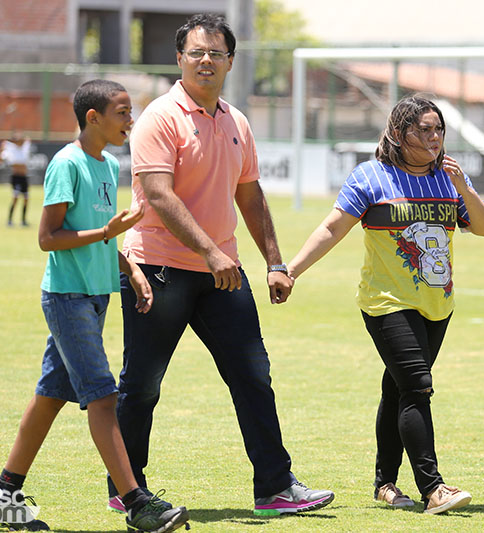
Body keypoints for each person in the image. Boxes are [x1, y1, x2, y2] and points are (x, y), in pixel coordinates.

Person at [106, 13, 334, 517]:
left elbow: (250, 196)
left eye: (216, 52)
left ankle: (274, 487)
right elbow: (159, 197)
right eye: (196, 52)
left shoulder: (237, 121)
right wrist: (211, 251)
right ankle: (128, 489)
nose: (205, 60)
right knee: (142, 384)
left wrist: (276, 262)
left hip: (222, 274)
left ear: (231, 61)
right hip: (158, 269)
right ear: (180, 59)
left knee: (253, 375)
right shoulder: (159, 117)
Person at [0, 79, 189, 533]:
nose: (130, 121)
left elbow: (100, 231)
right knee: (104, 395)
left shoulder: (110, 165)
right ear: (92, 117)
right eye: (122, 112)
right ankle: (136, 502)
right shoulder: (66, 164)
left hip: (96, 297)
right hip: (67, 297)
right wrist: (109, 232)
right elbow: (47, 239)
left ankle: (3, 495)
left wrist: (129, 269)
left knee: (51, 396)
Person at [287, 95, 484, 514]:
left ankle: (385, 483)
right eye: (424, 129)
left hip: (438, 304)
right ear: (400, 134)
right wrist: (290, 270)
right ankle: (434, 489)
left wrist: (462, 188)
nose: (434, 136)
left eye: (439, 129)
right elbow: (332, 229)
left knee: (399, 389)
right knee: (417, 386)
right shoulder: (371, 177)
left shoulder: (450, 179)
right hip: (386, 303)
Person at [0, 131, 33, 226]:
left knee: (26, 199)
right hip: (16, 177)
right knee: (15, 198)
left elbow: (27, 139)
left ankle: (23, 220)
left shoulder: (25, 148)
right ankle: (10, 220)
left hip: (24, 177)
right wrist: (1, 150)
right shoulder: (10, 150)